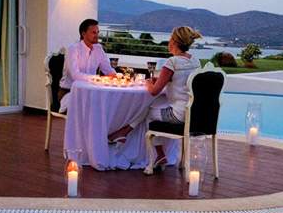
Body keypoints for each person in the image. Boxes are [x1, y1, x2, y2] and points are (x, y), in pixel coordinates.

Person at [107, 26, 202, 170]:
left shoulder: (172, 62)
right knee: (153, 105)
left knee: (148, 111)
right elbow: (184, 81)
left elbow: (154, 91)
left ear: (174, 42)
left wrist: (147, 82)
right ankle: (125, 134)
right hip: (193, 114)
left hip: (177, 115)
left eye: (170, 38)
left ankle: (154, 151)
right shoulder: (195, 61)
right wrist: (164, 80)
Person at [58, 18, 117, 111]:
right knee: (94, 107)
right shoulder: (73, 49)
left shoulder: (98, 49)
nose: (97, 35)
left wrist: (117, 76)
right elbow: (75, 75)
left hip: (91, 91)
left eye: (97, 32)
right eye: (93, 32)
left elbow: (108, 70)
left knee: (110, 104)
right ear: (83, 34)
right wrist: (97, 78)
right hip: (70, 91)